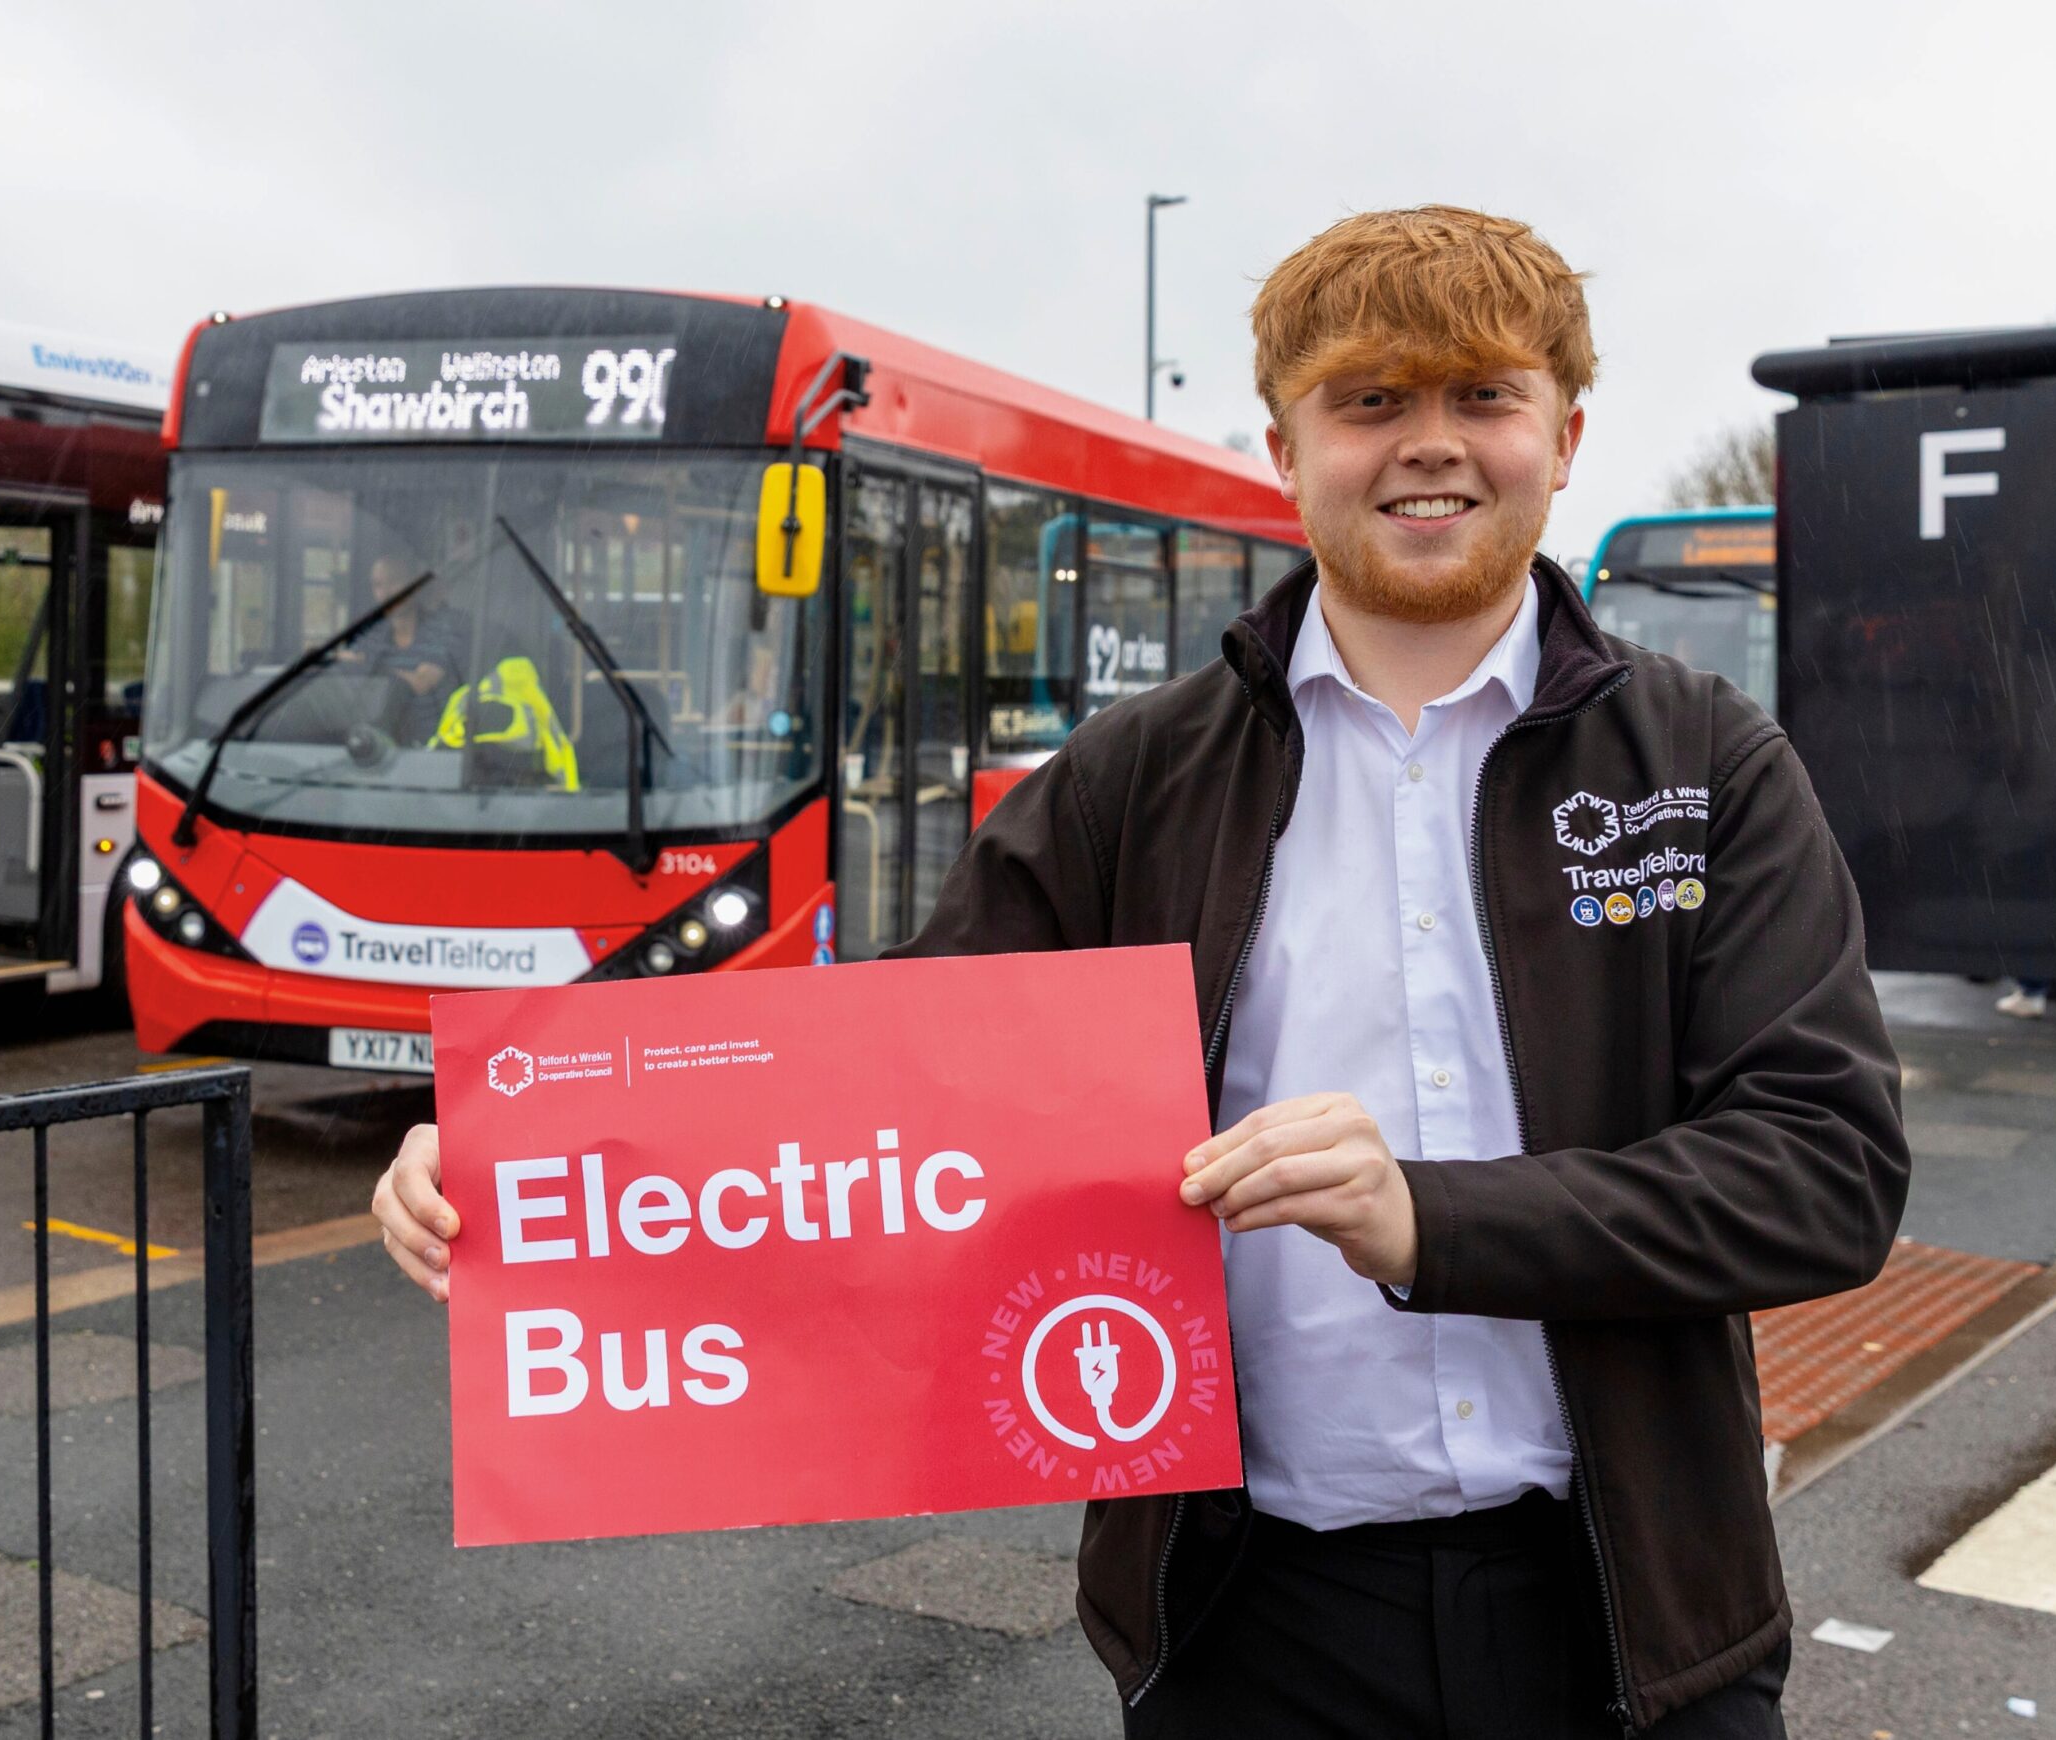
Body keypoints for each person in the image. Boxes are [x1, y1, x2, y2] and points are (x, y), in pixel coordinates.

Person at [370, 207, 1909, 1737]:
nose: (1428, 444)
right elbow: (865, 1094)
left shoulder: (1707, 759)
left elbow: (1825, 1170)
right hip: (1254, 1624)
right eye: (1370, 400)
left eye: (1482, 397)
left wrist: (1430, 1217)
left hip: (1635, 1618)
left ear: (1564, 437)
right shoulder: (1136, 777)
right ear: (1283, 448)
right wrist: (528, 1153)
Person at [346, 553, 469, 742]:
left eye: (394, 581)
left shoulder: (443, 628)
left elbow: (421, 682)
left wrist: (374, 670)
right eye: (378, 585)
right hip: (380, 750)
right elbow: (349, 664)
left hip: (435, 751)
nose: (386, 593)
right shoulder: (372, 636)